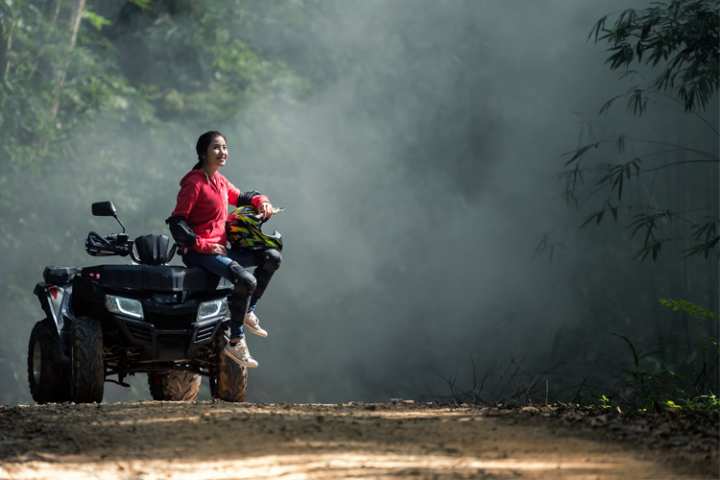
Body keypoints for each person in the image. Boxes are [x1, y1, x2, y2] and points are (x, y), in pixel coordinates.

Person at [166, 130, 282, 368]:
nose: (223, 152)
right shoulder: (194, 183)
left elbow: (245, 197)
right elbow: (177, 223)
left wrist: (264, 202)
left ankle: (248, 310)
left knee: (272, 256)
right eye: (216, 148)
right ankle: (235, 340)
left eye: (225, 147)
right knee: (246, 281)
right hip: (200, 253)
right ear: (203, 152)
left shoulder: (219, 181)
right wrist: (203, 245)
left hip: (221, 249)